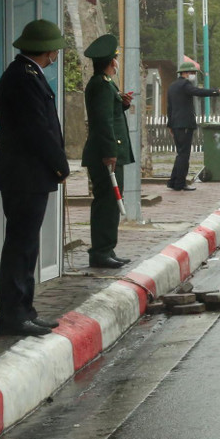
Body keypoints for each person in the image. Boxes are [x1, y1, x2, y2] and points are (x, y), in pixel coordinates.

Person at [0, 20, 70, 337]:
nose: (56, 55)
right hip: (24, 175)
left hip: (28, 175)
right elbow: (38, 130)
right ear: (47, 49)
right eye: (55, 49)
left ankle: (25, 309)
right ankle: (13, 315)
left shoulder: (28, 74)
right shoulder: (22, 78)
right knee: (20, 247)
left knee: (27, 246)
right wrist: (60, 165)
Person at [81, 34, 133, 269]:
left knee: (111, 201)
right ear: (111, 62)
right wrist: (110, 152)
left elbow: (110, 111)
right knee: (107, 202)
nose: (117, 62)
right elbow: (103, 121)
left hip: (109, 153)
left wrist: (122, 102)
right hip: (105, 154)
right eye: (115, 59)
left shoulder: (106, 83)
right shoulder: (101, 85)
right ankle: (100, 252)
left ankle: (107, 248)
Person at [166, 57, 220, 191]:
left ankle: (173, 182)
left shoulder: (172, 86)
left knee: (180, 153)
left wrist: (170, 124)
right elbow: (199, 92)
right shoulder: (185, 85)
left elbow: (170, 107)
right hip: (185, 124)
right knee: (184, 155)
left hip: (176, 124)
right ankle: (180, 183)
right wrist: (217, 91)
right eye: (192, 73)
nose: (194, 76)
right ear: (185, 73)